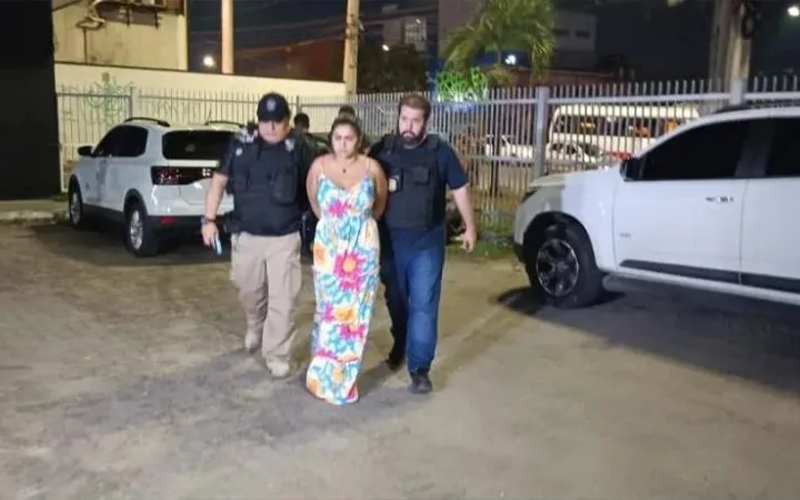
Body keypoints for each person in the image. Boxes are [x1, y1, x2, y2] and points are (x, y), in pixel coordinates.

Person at [369, 93, 477, 395]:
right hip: (390, 241)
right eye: (404, 119)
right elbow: (360, 178)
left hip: (426, 241)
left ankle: (419, 369)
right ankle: (400, 342)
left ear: (425, 123)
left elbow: (460, 187)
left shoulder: (440, 152)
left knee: (424, 304)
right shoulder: (382, 150)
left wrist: (470, 226)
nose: (408, 126)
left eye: (415, 121)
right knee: (396, 299)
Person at [202, 92, 315, 378]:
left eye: (277, 121)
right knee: (248, 290)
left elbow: (319, 180)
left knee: (283, 300)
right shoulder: (241, 145)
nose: (271, 127)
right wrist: (208, 220)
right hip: (247, 236)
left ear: (288, 122)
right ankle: (255, 323)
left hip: (284, 237)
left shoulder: (301, 148)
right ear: (258, 120)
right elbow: (218, 182)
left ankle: (277, 354)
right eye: (265, 121)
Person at [304, 114, 388, 405]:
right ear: (331, 140)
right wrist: (335, 227)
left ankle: (343, 380)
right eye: (338, 138)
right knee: (329, 312)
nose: (343, 144)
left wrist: (356, 225)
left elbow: (379, 204)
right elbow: (315, 203)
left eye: (349, 138)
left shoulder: (372, 168)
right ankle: (321, 374)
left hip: (362, 251)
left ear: (358, 140)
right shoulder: (319, 167)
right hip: (329, 251)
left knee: (355, 316)